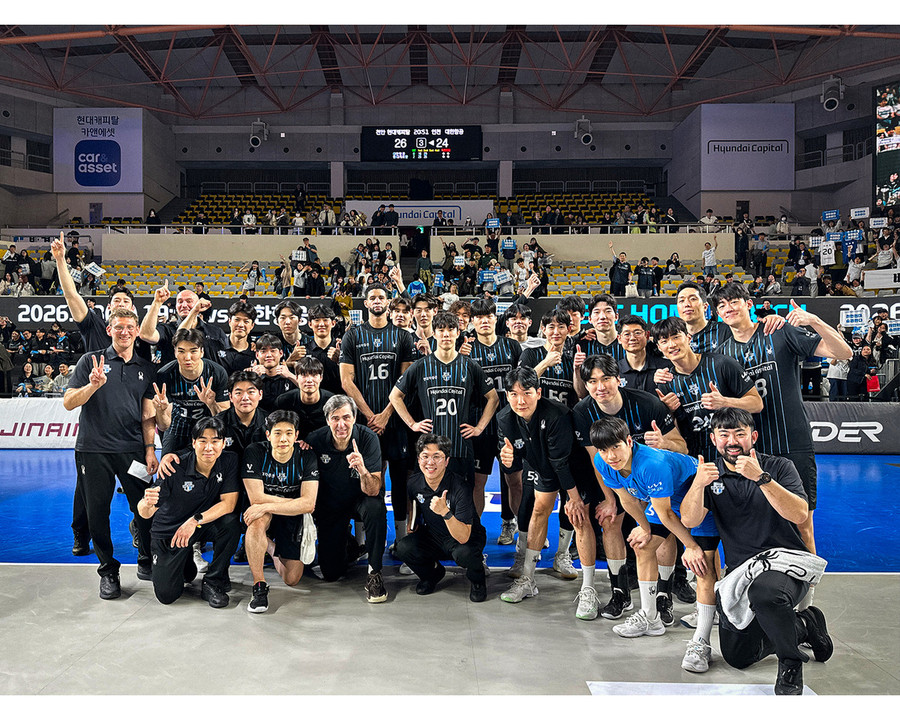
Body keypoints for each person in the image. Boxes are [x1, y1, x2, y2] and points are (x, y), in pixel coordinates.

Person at [679, 408, 833, 694]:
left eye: (740, 433)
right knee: (738, 657)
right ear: (713, 439)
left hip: (787, 564)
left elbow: (800, 514)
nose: (732, 441)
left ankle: (790, 664)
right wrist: (698, 484)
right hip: (741, 572)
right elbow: (689, 520)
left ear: (754, 436)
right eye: (724, 434)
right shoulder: (710, 475)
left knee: (766, 594)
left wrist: (762, 478)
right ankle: (804, 625)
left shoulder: (779, 467)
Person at [710, 282, 851, 588]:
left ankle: (805, 600)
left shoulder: (779, 331)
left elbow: (844, 352)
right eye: (722, 305)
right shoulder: (721, 354)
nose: (729, 308)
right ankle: (752, 590)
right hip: (748, 450)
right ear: (718, 314)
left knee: (802, 524)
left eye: (734, 301)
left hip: (791, 441)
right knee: (748, 525)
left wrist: (813, 320)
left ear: (749, 304)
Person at [590, 416, 720, 672]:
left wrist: (691, 546)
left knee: (702, 564)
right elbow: (627, 500)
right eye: (604, 450)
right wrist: (645, 529)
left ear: (629, 441)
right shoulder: (603, 463)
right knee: (643, 546)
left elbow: (667, 515)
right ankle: (650, 618)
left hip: (696, 493)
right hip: (665, 501)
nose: (611, 456)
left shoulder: (652, 464)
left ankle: (709, 620)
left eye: (616, 447)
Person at [62, 308, 158, 600]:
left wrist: (150, 450)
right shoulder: (90, 361)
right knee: (97, 513)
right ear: (109, 330)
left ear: (137, 331)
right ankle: (108, 571)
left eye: (130, 327)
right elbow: (69, 402)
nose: (124, 332)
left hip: (133, 451)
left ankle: (146, 558)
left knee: (144, 506)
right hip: (93, 451)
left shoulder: (147, 368)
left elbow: (148, 417)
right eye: (119, 327)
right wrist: (92, 386)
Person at [497, 367, 603, 619]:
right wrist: (508, 458)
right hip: (543, 465)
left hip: (574, 467)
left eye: (526, 393)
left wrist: (574, 498)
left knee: (578, 517)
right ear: (507, 395)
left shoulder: (557, 415)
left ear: (538, 392)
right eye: (513, 394)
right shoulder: (504, 418)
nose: (520, 400)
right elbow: (514, 456)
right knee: (539, 510)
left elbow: (561, 462)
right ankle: (528, 579)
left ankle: (580, 578)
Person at [138, 416, 240, 608]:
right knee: (167, 595)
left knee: (230, 524)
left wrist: (195, 521)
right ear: (193, 443)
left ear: (223, 443)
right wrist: (145, 503)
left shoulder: (229, 460)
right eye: (203, 441)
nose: (209, 447)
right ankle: (184, 561)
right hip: (171, 530)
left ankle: (213, 582)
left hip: (199, 524)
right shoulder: (174, 466)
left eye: (215, 441)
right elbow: (146, 513)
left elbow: (229, 504)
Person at [390, 310, 499, 485]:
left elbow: (493, 398)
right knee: (429, 498)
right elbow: (395, 396)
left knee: (462, 498)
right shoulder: (421, 366)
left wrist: (479, 428)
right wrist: (412, 424)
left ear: (458, 332)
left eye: (450, 329)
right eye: (441, 330)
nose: (446, 334)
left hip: (461, 447)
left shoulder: (470, 365)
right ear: (434, 334)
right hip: (430, 450)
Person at [306, 395, 387, 602]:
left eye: (346, 417)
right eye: (335, 418)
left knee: (376, 507)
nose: (341, 424)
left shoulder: (368, 439)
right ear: (327, 420)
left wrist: (362, 469)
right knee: (331, 574)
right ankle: (349, 545)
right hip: (332, 503)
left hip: (362, 499)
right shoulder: (315, 440)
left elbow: (373, 490)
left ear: (354, 418)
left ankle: (375, 572)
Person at [242, 410, 319, 613]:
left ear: (296, 435)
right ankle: (259, 586)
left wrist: (269, 505)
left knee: (292, 579)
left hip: (289, 515)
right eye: (277, 433)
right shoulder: (255, 452)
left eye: (288, 433)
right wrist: (293, 503)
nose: (283, 439)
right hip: (266, 512)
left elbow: (308, 504)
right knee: (257, 520)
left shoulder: (306, 456)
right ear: (268, 435)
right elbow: (256, 498)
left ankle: (267, 545)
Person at [394, 434, 488, 602]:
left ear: (446, 461)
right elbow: (414, 504)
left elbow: (463, 536)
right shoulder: (414, 483)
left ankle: (477, 580)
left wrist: (445, 512)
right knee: (403, 547)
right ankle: (432, 574)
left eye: (436, 456)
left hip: (464, 538)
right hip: (435, 536)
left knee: (465, 553)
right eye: (425, 456)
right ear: (418, 459)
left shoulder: (460, 487)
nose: (430, 462)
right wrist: (413, 523)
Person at [463, 298, 523, 542]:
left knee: (514, 480)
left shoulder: (511, 346)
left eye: (488, 316)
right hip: (479, 426)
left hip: (510, 425)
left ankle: (517, 525)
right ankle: (476, 533)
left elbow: (523, 382)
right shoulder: (466, 349)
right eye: (478, 317)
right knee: (478, 482)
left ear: (495, 318)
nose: (484, 321)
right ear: (472, 321)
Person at [152, 328, 230, 457]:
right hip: (177, 426)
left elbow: (224, 419)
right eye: (181, 351)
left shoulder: (217, 372)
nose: (187, 358)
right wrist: (161, 410)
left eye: (193, 351)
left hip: (207, 427)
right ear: (175, 352)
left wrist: (211, 404)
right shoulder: (165, 374)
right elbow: (164, 426)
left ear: (202, 352)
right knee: (167, 463)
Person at [140, 282, 228, 367]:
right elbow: (146, 335)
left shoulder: (215, 332)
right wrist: (157, 302)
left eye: (189, 301)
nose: (184, 305)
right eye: (180, 301)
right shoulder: (167, 329)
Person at [616, 315, 672, 393]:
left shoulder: (667, 367)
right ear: (619, 339)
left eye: (637, 333)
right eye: (627, 334)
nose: (632, 338)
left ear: (647, 335)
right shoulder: (614, 372)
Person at [250, 333, 299, 413]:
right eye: (263, 351)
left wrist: (289, 375)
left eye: (273, 351)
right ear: (257, 355)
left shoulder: (291, 374)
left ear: (281, 353)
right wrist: (253, 378)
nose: (269, 355)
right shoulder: (252, 376)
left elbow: (309, 390)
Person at [216, 300, 257, 375]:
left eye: (246, 321)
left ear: (252, 326)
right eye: (237, 320)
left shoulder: (256, 352)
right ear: (229, 321)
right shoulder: (215, 347)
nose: (240, 325)